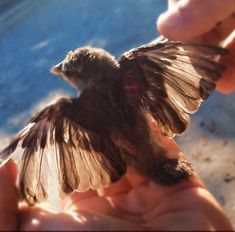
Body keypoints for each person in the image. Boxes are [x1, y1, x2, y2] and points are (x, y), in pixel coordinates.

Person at [0, 0, 234, 230]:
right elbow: (173, 58)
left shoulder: (66, 113)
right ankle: (154, 162)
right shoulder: (136, 67)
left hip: (128, 160)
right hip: (155, 150)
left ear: (81, 79)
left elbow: (41, 143)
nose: (60, 71)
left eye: (66, 72)